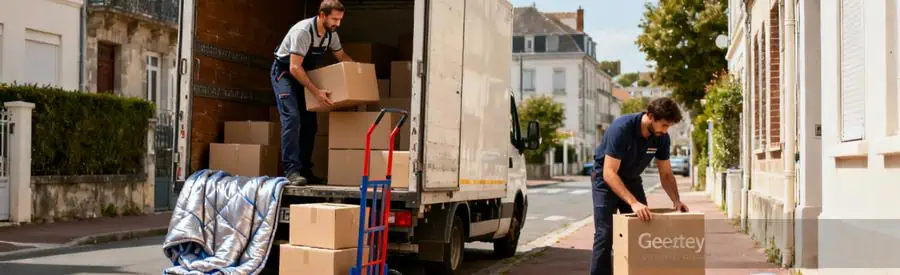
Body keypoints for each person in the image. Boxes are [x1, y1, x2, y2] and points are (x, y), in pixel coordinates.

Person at [589, 97, 689, 275]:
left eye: (669, 126)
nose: (666, 130)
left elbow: (666, 174)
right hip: (605, 179)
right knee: (605, 234)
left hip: (632, 178)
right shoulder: (622, 129)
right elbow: (609, 173)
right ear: (650, 116)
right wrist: (633, 203)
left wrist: (676, 200)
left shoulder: (661, 138)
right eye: (664, 125)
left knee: (643, 228)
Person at [271, 0, 353, 185]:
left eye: (340, 19)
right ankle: (291, 171)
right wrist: (316, 92)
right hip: (285, 75)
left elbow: (341, 57)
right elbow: (294, 67)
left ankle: (305, 170)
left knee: (310, 124)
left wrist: (357, 73)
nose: (338, 24)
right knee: (292, 118)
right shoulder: (303, 32)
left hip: (304, 76)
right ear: (322, 15)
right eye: (334, 19)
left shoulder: (331, 35)